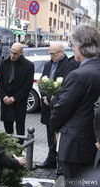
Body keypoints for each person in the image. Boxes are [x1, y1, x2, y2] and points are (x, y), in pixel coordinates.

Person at [50, 24, 100, 184]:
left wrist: (54, 127)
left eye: (73, 45)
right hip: (94, 144)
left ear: (80, 46)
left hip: (76, 147)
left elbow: (61, 110)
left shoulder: (78, 75)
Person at [36, 43, 68, 169]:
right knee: (50, 134)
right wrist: (44, 96)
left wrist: (53, 98)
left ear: (61, 52)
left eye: (53, 54)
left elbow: (66, 85)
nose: (51, 56)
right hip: (47, 106)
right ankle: (50, 160)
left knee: (59, 136)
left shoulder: (68, 65)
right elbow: (42, 81)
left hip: (59, 105)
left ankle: (61, 163)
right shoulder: (48, 64)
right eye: (50, 53)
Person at [0, 42, 34, 144]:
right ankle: (9, 146)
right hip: (5, 100)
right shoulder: (4, 63)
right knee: (7, 125)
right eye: (11, 52)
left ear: (21, 53)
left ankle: (19, 150)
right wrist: (3, 96)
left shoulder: (28, 65)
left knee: (20, 127)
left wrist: (14, 98)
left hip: (19, 102)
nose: (12, 55)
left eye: (15, 53)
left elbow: (27, 85)